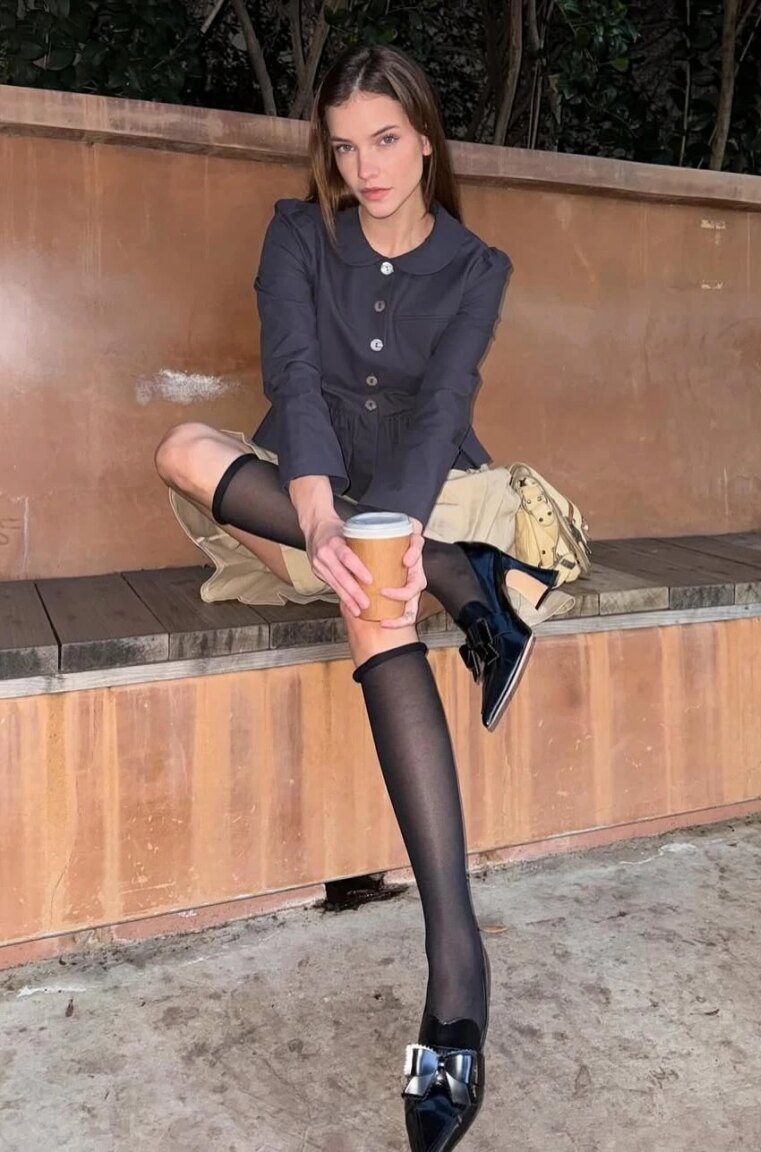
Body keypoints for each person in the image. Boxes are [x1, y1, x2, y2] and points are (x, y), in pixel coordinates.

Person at [155, 43, 557, 1152]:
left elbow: (443, 409)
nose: (366, 167)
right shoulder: (299, 234)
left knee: (374, 595)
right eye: (344, 147)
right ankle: (468, 590)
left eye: (385, 139)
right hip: (310, 493)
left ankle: (456, 974)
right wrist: (324, 517)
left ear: (425, 140)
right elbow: (292, 377)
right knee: (182, 446)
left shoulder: (477, 266)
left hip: (424, 491)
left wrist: (394, 529)